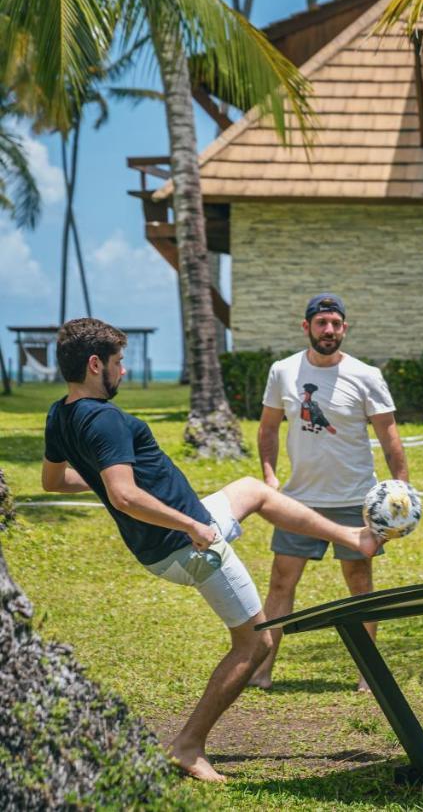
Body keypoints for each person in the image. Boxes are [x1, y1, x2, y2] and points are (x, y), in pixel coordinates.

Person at [41, 318, 391, 783]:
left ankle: (354, 538)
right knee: (256, 642)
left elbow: (55, 480)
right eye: (118, 363)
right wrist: (188, 524)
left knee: (253, 490)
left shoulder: (59, 413)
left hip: (180, 530)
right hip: (187, 542)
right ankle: (188, 746)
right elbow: (124, 496)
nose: (122, 371)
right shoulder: (105, 418)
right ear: (93, 364)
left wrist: (110, 480)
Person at [249, 294, 409, 692]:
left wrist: (400, 488)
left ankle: (367, 673)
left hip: (356, 499)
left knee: (359, 582)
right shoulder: (282, 371)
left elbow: (389, 436)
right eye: (321, 323)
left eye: (336, 324)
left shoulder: (366, 374)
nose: (329, 330)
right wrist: (269, 476)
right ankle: (262, 670)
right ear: (306, 327)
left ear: (344, 328)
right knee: (282, 584)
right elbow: (268, 428)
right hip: (298, 500)